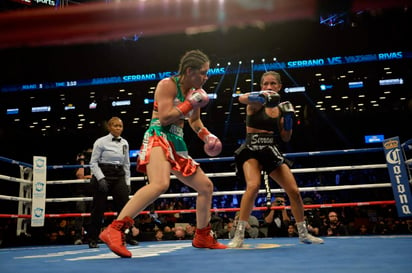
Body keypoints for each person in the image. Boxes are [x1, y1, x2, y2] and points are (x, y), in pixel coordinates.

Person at [99, 49, 227, 258]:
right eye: (203, 73)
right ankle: (114, 229)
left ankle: (203, 235)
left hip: (177, 140)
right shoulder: (167, 85)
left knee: (206, 187)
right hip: (159, 134)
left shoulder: (196, 92)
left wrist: (207, 137)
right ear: (189, 71)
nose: (206, 77)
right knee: (159, 184)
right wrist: (191, 101)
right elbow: (166, 117)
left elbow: (194, 121)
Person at [228, 71, 324, 247]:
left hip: (271, 148)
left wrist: (288, 119)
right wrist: (262, 95)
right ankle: (239, 235)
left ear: (279, 87)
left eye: (273, 84)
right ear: (261, 86)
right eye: (265, 84)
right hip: (251, 148)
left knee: (293, 190)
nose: (269, 87)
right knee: (253, 186)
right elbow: (241, 98)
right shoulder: (256, 102)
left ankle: (303, 233)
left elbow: (286, 137)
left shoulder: (282, 108)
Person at [87, 116, 139, 248]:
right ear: (110, 127)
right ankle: (93, 238)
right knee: (98, 208)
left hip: (119, 174)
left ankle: (127, 236)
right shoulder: (100, 142)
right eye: (115, 126)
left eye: (120, 126)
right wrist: (100, 178)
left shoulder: (125, 143)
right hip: (103, 173)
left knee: (125, 207)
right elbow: (93, 163)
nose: (118, 128)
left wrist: (128, 183)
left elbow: (126, 164)